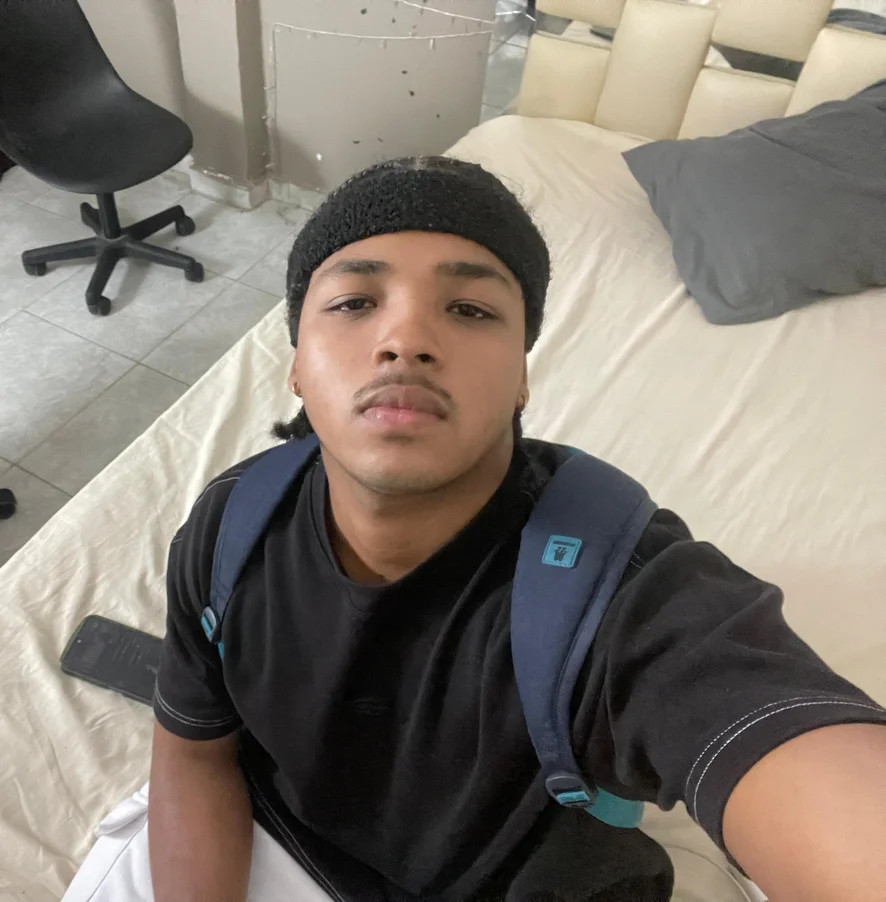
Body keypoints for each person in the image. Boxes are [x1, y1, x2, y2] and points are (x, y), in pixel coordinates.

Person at [148, 157, 886, 902]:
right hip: (276, 851)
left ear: (524, 376)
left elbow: (780, 739)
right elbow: (194, 754)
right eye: (354, 302)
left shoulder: (619, 597)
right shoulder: (232, 527)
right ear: (296, 366)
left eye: (470, 310)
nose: (405, 338)